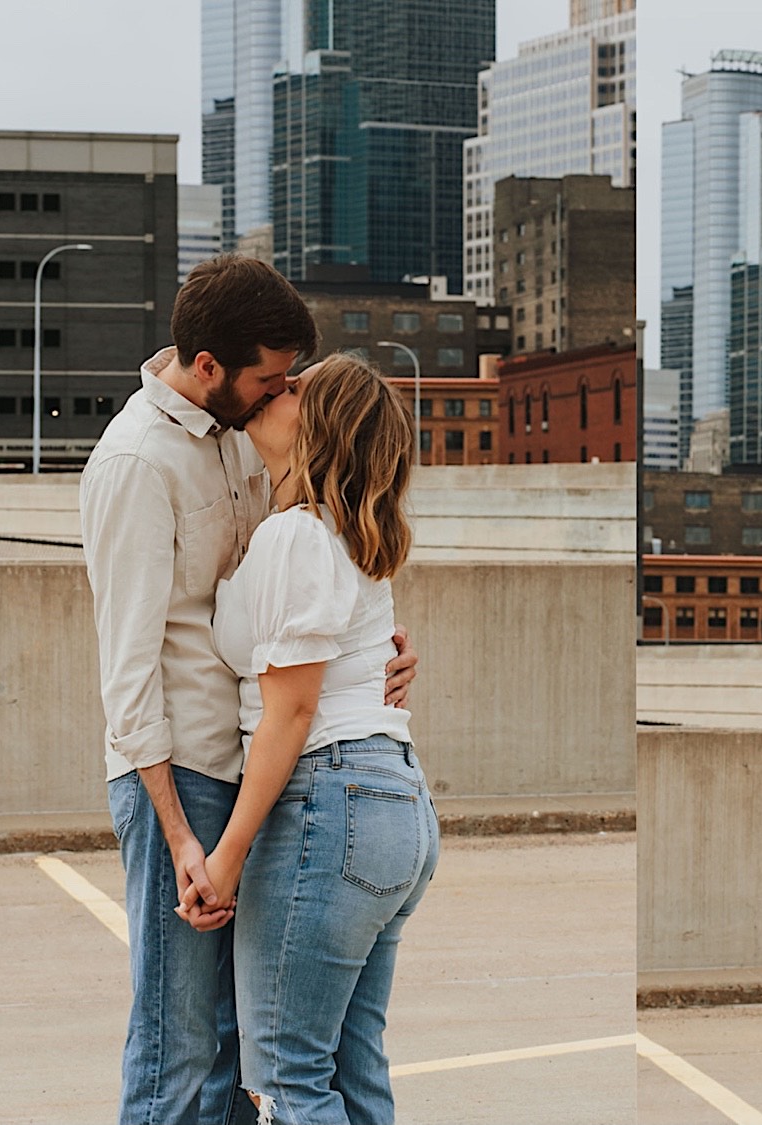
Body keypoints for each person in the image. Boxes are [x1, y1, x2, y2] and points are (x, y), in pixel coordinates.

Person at [79, 255, 418, 1125]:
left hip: (266, 779)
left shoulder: (245, 433)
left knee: (244, 1054)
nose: (282, 393)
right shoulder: (136, 463)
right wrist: (185, 834)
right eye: (271, 380)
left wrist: (371, 650)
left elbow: (309, 584)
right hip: (185, 776)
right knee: (179, 1045)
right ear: (208, 368)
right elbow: (126, 674)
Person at [179, 353, 437, 1125]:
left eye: (295, 390)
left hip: (332, 805)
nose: (275, 392)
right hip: (394, 804)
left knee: (288, 1080)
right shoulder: (351, 539)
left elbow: (291, 714)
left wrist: (225, 856)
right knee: (354, 1074)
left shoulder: (298, 535)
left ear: (319, 428)